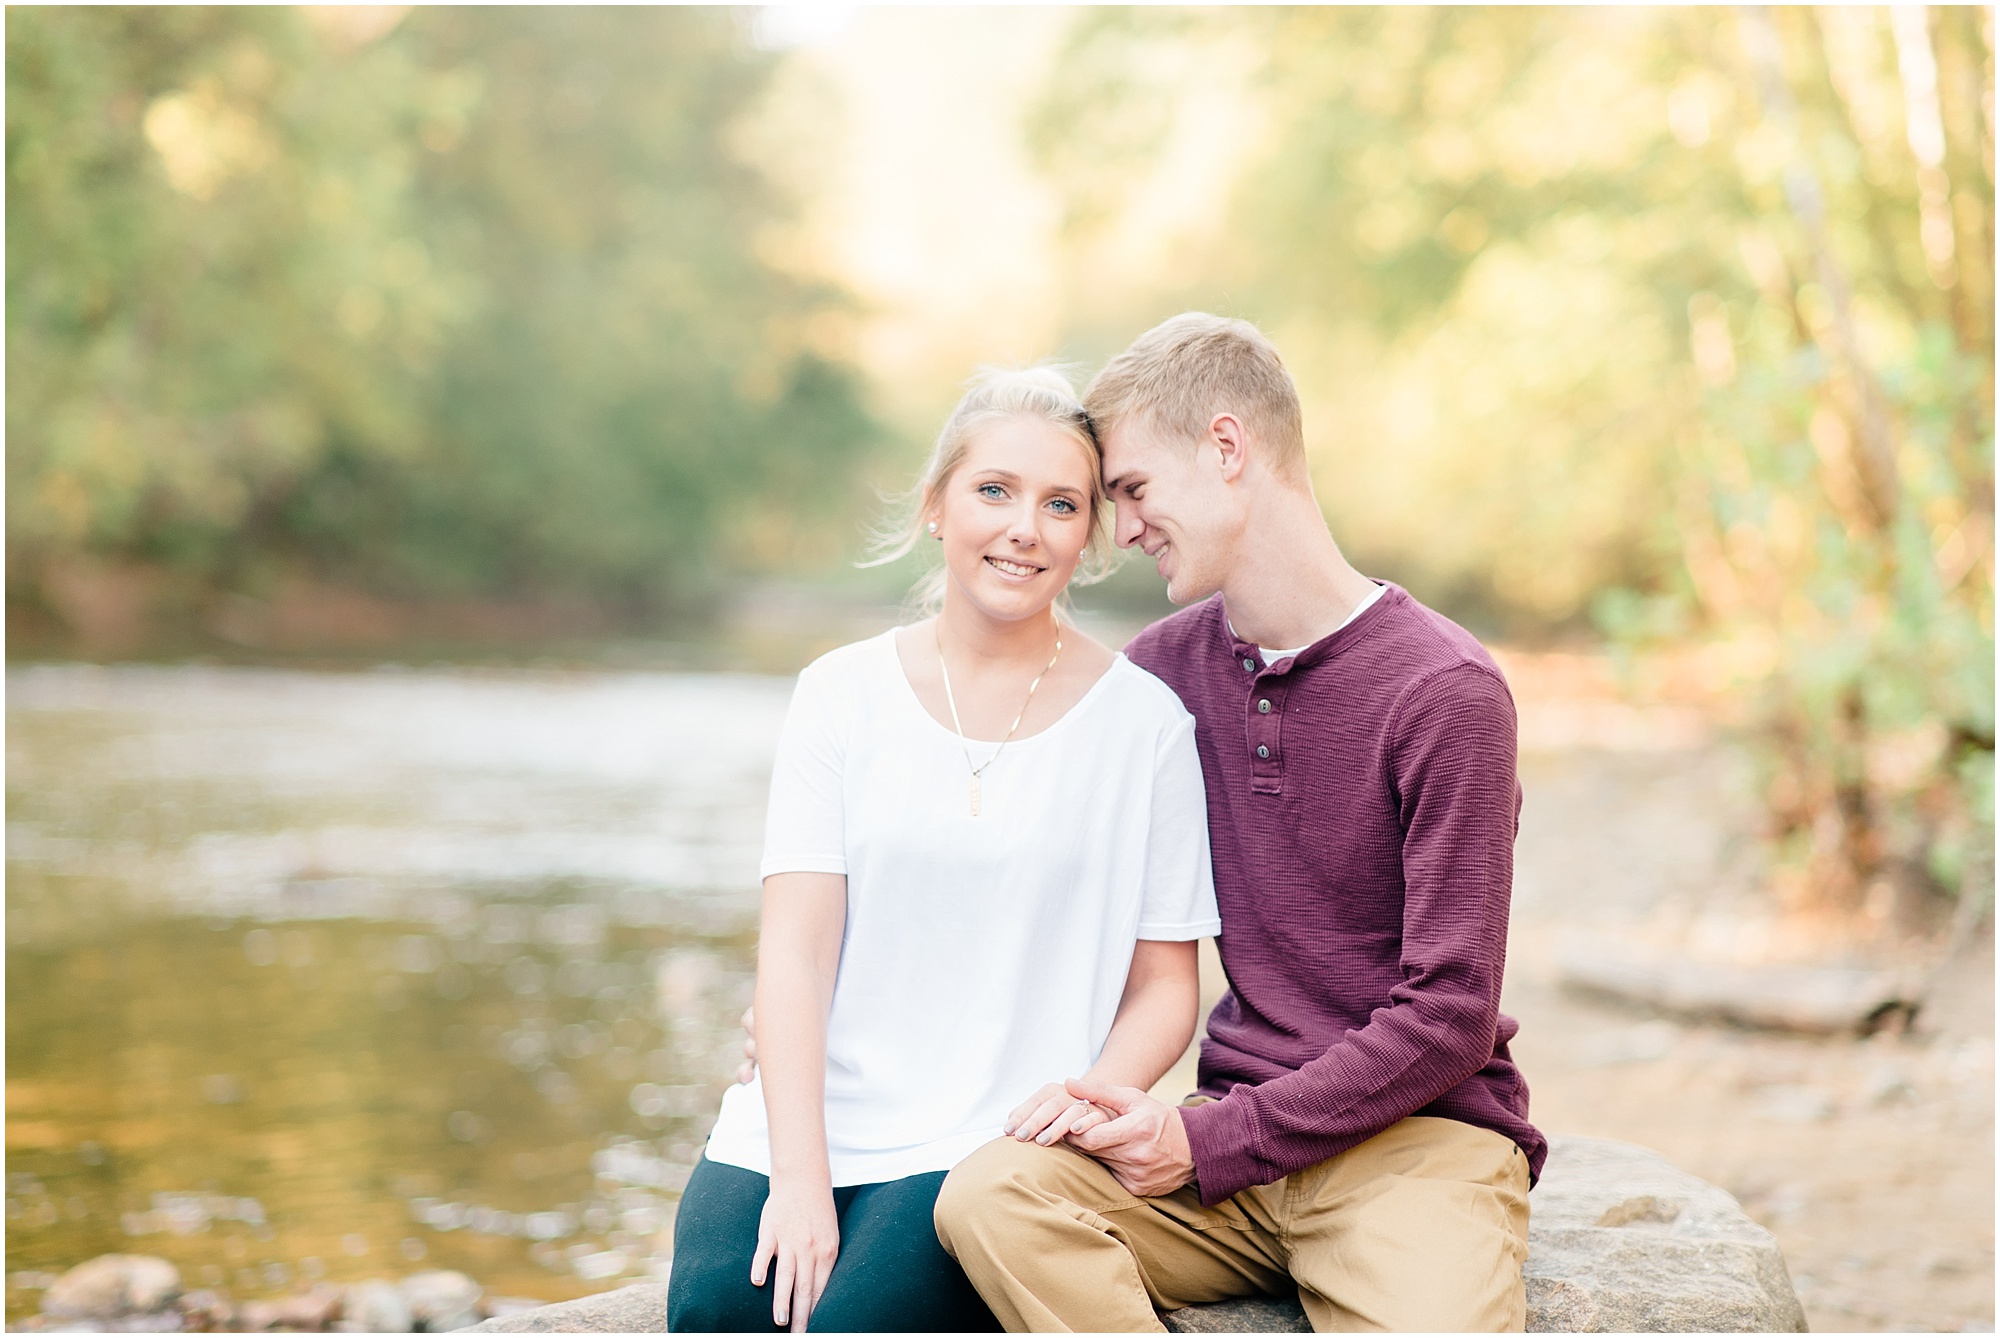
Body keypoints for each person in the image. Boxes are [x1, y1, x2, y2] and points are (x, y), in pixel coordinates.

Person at [932, 314, 1547, 1333]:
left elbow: (1448, 1015)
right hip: (1223, 1155)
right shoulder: (1160, 674)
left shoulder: (1444, 691)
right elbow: (1025, 876)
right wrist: (822, 1010)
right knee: (992, 1199)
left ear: (1225, 450)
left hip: (1414, 1146)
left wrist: (1207, 1143)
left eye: (1129, 490)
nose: (1118, 530)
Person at [666, 368, 1221, 1333]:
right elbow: (795, 952)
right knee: (715, 1314)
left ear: (1088, 538)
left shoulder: (1148, 729)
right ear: (936, 505)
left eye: (1061, 505)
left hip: (987, 1145)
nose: (1024, 528)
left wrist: (1088, 1100)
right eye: (994, 491)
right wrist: (800, 1182)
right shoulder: (839, 694)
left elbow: (1167, 984)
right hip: (806, 1122)